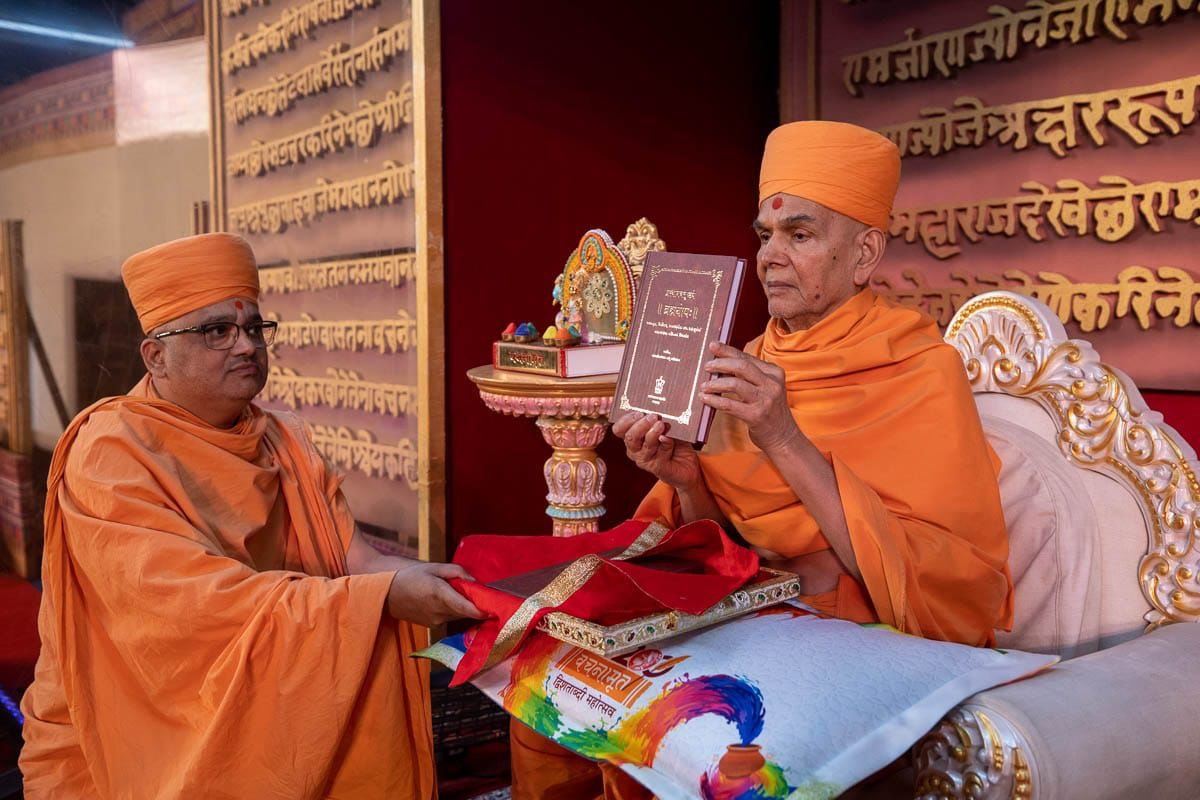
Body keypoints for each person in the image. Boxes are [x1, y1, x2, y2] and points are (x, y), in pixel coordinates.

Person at [510, 120, 1013, 799]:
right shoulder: (746, 361)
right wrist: (686, 482)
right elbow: (721, 548)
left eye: (799, 235)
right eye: (765, 236)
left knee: (710, 748)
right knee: (551, 677)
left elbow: (946, 584)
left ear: (864, 254)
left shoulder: (921, 371)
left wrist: (781, 434)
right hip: (740, 613)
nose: (770, 257)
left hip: (852, 630)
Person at [20, 233, 481, 799]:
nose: (245, 346)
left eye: (254, 328)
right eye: (216, 331)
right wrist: (380, 598)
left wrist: (434, 584)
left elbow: (351, 560)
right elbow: (191, 611)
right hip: (137, 740)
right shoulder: (111, 449)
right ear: (155, 355)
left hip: (277, 714)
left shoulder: (282, 437)